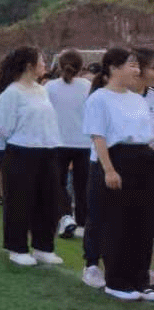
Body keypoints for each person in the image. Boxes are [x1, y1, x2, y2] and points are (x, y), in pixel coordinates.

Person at [82, 46, 154, 300]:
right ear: (113, 68)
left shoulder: (138, 99)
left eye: (137, 65)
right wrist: (109, 170)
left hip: (143, 162)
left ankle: (141, 279)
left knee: (143, 222)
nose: (136, 70)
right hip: (116, 161)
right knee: (117, 223)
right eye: (131, 65)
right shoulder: (99, 98)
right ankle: (117, 280)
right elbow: (98, 136)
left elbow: (148, 136)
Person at [0, 46, 62, 267]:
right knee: (20, 201)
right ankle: (17, 247)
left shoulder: (42, 89)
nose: (44, 65)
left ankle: (43, 247)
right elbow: (1, 128)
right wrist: (25, 137)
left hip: (48, 151)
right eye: (41, 61)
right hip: (21, 152)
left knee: (48, 201)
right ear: (29, 65)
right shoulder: (11, 93)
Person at [46, 49, 91, 242]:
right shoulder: (87, 86)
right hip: (84, 143)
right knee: (82, 186)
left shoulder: (49, 87)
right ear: (81, 67)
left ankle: (65, 217)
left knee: (58, 183)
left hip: (58, 141)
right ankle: (81, 223)